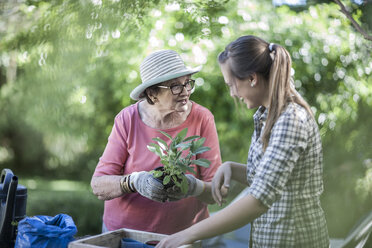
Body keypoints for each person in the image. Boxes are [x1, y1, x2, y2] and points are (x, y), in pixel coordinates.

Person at [156, 35, 330, 247]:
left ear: (252, 78)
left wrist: (188, 234)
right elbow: (275, 179)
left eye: (232, 85)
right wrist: (233, 169)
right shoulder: (266, 116)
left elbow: (258, 200)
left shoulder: (290, 121)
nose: (233, 93)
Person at [90, 49, 222, 235]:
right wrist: (134, 182)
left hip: (184, 235)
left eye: (187, 83)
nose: (185, 91)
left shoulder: (202, 118)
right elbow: (98, 185)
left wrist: (193, 186)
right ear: (152, 94)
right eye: (175, 86)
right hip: (127, 234)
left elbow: (217, 190)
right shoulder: (127, 119)